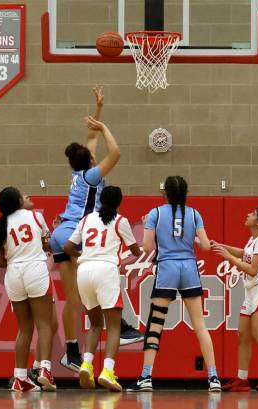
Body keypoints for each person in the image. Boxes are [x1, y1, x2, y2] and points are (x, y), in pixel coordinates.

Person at [49, 87, 142, 373]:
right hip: (77, 231)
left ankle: (72, 352)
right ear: (91, 162)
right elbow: (115, 153)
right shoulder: (91, 176)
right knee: (104, 272)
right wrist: (104, 126)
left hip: (61, 234)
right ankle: (121, 325)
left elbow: (91, 139)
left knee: (76, 297)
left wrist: (98, 109)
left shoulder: (78, 174)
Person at [127, 175, 221, 392]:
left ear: (165, 193)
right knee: (200, 325)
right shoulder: (194, 213)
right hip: (189, 268)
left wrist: (148, 225)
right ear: (186, 193)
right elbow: (206, 246)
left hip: (167, 269)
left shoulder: (155, 213)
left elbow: (147, 247)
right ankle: (213, 377)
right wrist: (194, 239)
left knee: (156, 323)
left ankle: (146, 377)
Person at [64, 186, 141, 392]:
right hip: (106, 271)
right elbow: (135, 250)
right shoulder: (120, 220)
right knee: (114, 327)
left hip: (84, 272)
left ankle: (87, 365)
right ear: (119, 202)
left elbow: (67, 247)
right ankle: (107, 371)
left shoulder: (87, 219)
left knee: (94, 325)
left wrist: (80, 258)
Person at [0, 187, 56, 392]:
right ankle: (45, 369)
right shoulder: (36, 216)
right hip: (35, 270)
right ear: (17, 201)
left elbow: (0, 262)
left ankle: (20, 377)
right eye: (23, 195)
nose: (27, 196)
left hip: (13, 274)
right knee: (44, 324)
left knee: (24, 329)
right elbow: (48, 246)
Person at [212, 207, 258, 392]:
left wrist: (227, 257)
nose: (247, 214)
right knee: (243, 336)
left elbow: (252, 270)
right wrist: (220, 246)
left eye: (252, 214)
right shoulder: (255, 240)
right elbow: (242, 253)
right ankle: (242, 379)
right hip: (252, 292)